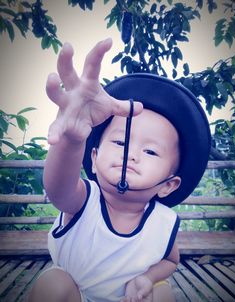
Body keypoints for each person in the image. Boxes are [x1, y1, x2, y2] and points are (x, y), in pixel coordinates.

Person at [28, 38, 211, 302]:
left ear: (169, 185)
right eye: (120, 142)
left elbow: (171, 260)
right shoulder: (83, 200)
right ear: (93, 158)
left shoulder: (162, 222)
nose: (131, 155)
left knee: (163, 293)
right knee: (53, 283)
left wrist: (147, 278)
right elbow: (58, 189)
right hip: (75, 296)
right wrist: (72, 139)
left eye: (150, 151)